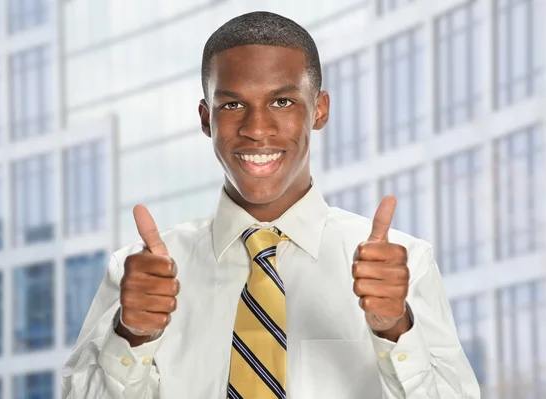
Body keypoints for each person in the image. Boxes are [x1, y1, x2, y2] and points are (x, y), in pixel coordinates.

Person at [62, 11, 480, 399]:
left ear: (319, 109)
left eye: (282, 102)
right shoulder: (139, 272)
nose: (257, 129)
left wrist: (395, 330)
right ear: (206, 119)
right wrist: (131, 337)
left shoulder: (404, 265)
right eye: (232, 105)